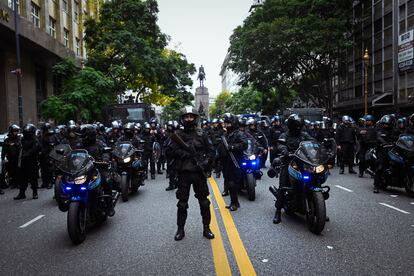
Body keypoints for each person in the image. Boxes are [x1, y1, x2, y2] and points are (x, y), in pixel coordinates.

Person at [168, 106, 215, 241]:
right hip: (184, 173)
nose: (189, 119)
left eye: (191, 116)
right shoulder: (178, 135)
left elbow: (211, 151)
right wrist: (183, 153)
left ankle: (206, 228)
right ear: (182, 119)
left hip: (199, 173)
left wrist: (206, 162)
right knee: (182, 203)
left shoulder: (202, 134)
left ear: (195, 118)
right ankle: (180, 229)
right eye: (186, 117)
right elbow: (170, 151)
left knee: (204, 202)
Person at [273, 114, 314, 224]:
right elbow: (280, 145)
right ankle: (277, 211)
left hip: (303, 164)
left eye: (299, 126)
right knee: (283, 186)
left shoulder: (304, 135)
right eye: (296, 126)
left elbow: (312, 143)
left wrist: (319, 147)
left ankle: (319, 208)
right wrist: (284, 150)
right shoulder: (284, 135)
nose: (298, 128)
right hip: (289, 163)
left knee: (315, 180)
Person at [81, 125, 115, 216]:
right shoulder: (80, 145)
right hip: (83, 170)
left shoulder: (100, 143)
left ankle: (109, 205)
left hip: (98, 169)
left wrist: (105, 160)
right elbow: (72, 154)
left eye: (85, 135)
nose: (83, 137)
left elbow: (106, 153)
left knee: (106, 181)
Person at [218, 113, 248, 211]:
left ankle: (235, 203)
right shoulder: (225, 134)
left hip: (235, 161)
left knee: (232, 183)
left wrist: (232, 147)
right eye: (225, 123)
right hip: (226, 161)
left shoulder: (239, 133)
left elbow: (244, 144)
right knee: (228, 182)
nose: (226, 125)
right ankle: (233, 202)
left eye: (228, 123)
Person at [14, 124, 40, 200]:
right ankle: (22, 193)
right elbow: (19, 148)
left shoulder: (35, 140)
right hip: (23, 162)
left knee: (33, 178)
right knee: (22, 178)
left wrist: (27, 154)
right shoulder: (22, 139)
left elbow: (35, 149)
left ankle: (35, 193)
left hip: (32, 161)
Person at [373, 115, 395, 193]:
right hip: (382, 150)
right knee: (380, 167)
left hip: (392, 150)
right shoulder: (380, 130)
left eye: (387, 124)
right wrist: (384, 143)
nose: (386, 125)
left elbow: (399, 137)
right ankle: (376, 186)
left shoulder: (393, 130)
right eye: (384, 124)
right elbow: (379, 137)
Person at [1, 124, 22, 189]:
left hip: (18, 158)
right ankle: (14, 183)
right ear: (11, 131)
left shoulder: (19, 139)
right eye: (15, 131)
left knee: (19, 171)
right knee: (12, 171)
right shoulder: (7, 140)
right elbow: (4, 150)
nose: (16, 132)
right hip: (10, 158)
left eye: (17, 131)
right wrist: (3, 158)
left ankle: (19, 183)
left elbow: (21, 147)